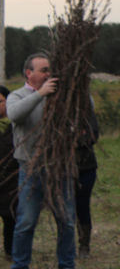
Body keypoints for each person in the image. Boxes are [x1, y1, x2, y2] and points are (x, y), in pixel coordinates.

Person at [6, 53, 76, 269]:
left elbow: (82, 109)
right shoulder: (16, 96)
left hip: (59, 167)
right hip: (30, 168)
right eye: (44, 70)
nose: (48, 74)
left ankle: (67, 265)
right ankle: (20, 265)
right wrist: (40, 94)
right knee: (26, 221)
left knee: (66, 221)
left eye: (49, 70)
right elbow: (15, 116)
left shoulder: (59, 96)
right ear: (29, 73)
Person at [75, 99, 99, 259]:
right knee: (64, 210)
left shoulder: (86, 105)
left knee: (82, 206)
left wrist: (75, 141)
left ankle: (84, 245)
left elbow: (93, 134)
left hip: (85, 166)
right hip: (62, 167)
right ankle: (66, 244)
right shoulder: (53, 105)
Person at [0, 85, 18, 261]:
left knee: (9, 217)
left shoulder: (16, 125)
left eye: (0, 101)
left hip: (11, 179)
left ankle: (10, 251)